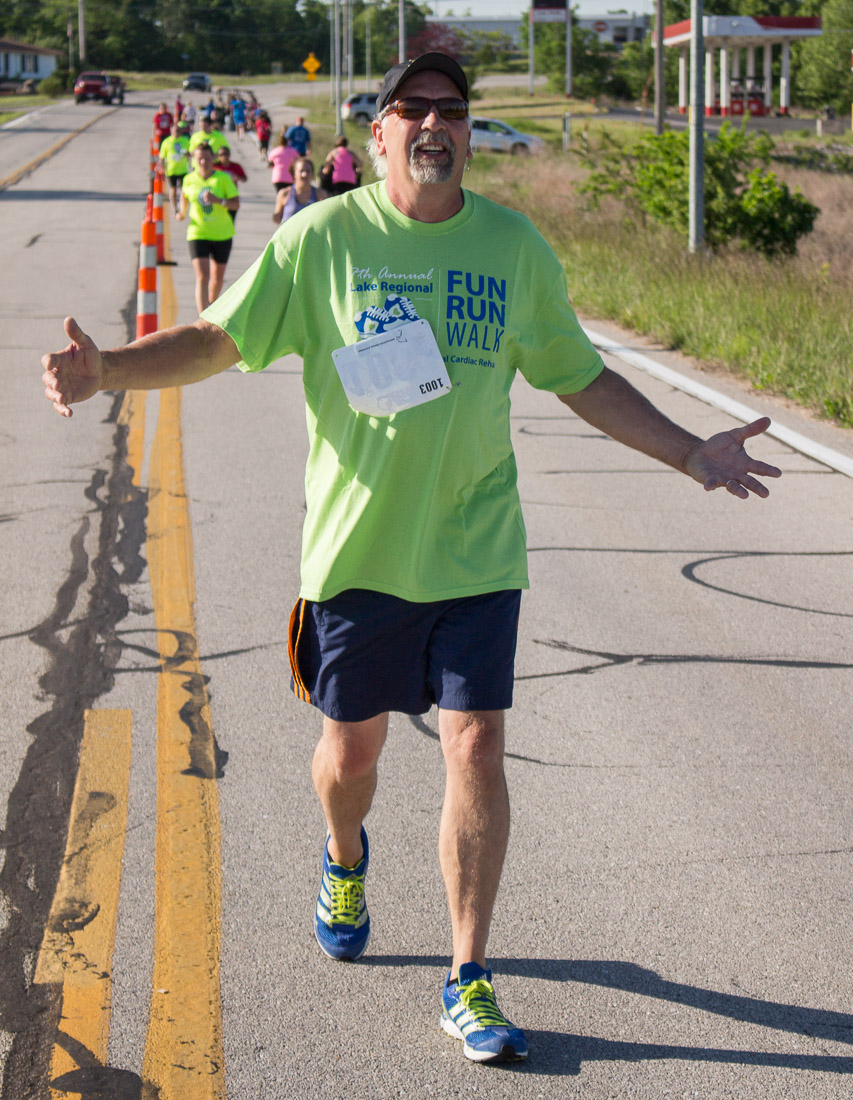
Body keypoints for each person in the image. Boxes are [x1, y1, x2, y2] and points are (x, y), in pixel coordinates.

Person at [41, 52, 781, 1067]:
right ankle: (344, 857)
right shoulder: (321, 240)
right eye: (413, 108)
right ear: (377, 134)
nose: (434, 122)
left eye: (452, 110)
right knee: (351, 758)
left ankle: (468, 972)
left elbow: (579, 376)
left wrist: (690, 451)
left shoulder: (513, 248)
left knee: (474, 746)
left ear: (467, 133)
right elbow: (216, 339)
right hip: (358, 555)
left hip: (477, 553)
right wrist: (109, 372)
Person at [175, 143, 239, 314]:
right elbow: (184, 195)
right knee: (203, 276)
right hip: (198, 233)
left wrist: (218, 200)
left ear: (213, 159)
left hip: (222, 234)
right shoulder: (189, 179)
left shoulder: (223, 178)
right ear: (194, 160)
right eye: (199, 159)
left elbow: (236, 204)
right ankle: (203, 317)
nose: (203, 162)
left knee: (217, 280)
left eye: (207, 158)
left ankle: (211, 308)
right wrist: (182, 212)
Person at [272, 157, 326, 225]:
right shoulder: (284, 194)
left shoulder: (320, 195)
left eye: (308, 171)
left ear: (312, 174)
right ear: (294, 174)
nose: (305, 174)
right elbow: (277, 217)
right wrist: (275, 217)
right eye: (301, 171)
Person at [159, 120, 191, 214]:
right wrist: (162, 169)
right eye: (175, 131)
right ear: (171, 131)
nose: (177, 133)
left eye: (178, 131)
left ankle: (182, 208)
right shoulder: (166, 142)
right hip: (171, 170)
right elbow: (162, 157)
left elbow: (190, 153)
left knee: (183, 190)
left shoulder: (185, 140)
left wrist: (187, 155)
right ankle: (174, 208)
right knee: (173, 189)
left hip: (183, 169)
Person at [216, 145, 247, 223]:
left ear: (229, 155)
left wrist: (238, 178)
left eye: (226, 154)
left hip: (232, 195)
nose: (224, 156)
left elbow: (245, 179)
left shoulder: (236, 166)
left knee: (230, 220)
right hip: (218, 195)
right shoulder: (215, 167)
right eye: (221, 154)